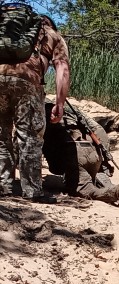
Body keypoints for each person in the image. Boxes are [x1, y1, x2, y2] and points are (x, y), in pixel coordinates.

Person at [0, 7, 69, 202]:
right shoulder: (53, 36)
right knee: (30, 135)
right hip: (27, 82)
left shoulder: (7, 29)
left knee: (1, 134)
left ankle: (3, 184)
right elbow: (62, 69)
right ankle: (32, 190)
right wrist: (60, 103)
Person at [42, 101, 119, 211]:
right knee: (95, 173)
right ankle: (109, 184)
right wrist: (104, 158)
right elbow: (98, 130)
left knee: (85, 191)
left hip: (75, 154)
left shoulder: (40, 113)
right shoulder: (69, 109)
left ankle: (117, 192)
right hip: (94, 149)